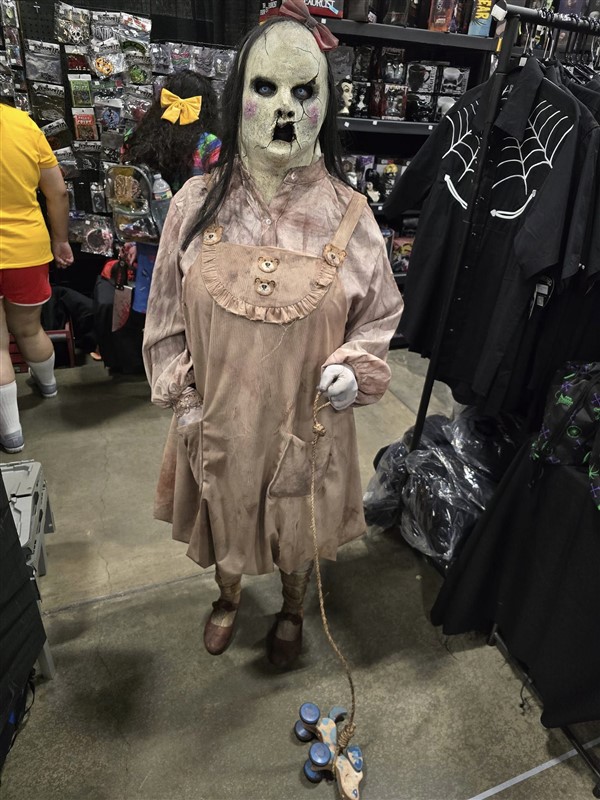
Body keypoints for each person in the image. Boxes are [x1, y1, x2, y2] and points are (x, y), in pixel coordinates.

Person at [143, 0, 403, 667]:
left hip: (304, 427)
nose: (285, 106)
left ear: (326, 104)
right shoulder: (193, 206)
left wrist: (354, 367)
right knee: (225, 518)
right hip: (219, 421)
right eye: (266, 87)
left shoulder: (352, 217)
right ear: (238, 98)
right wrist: (186, 400)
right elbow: (166, 324)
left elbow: (378, 318)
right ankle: (228, 596)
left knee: (297, 526)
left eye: (303, 91)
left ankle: (291, 606)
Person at [0, 99, 74, 453]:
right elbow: (57, 191)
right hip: (26, 249)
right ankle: (48, 387)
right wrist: (61, 240)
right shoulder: (23, 125)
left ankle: (12, 433)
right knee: (30, 329)